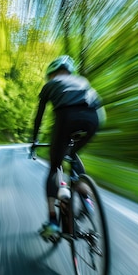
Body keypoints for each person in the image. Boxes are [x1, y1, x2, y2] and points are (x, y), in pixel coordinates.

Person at [30, 55, 105, 240]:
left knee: (54, 168)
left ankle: (53, 222)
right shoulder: (82, 80)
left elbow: (39, 117)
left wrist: (33, 141)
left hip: (67, 117)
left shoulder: (51, 84)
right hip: (94, 118)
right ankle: (86, 198)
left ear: (51, 73)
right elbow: (98, 105)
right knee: (73, 154)